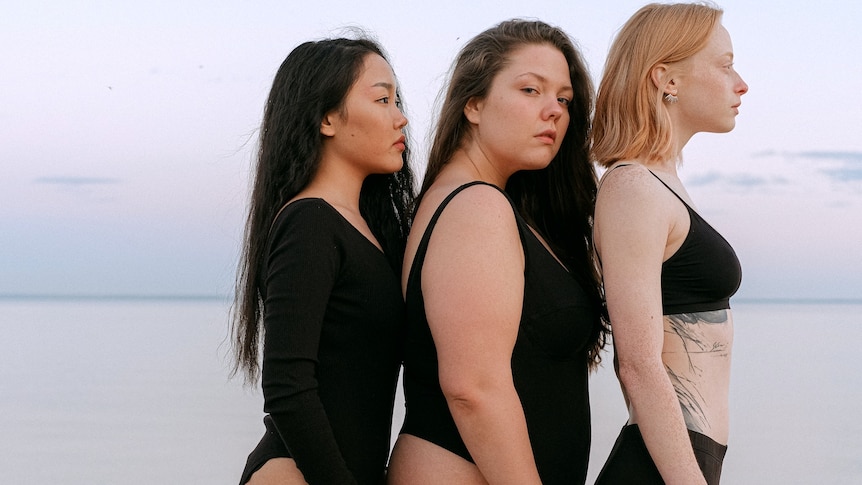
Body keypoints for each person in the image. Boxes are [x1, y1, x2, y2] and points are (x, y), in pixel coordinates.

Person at [386, 19, 607, 485]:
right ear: (474, 104)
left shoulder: (488, 202)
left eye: (564, 99)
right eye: (531, 90)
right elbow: (473, 389)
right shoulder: (476, 206)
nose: (554, 111)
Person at [229, 36, 415, 485]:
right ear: (327, 118)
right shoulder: (309, 222)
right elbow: (287, 386)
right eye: (382, 99)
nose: (401, 116)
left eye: (397, 100)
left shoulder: (371, 231)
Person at [591, 3, 749, 484]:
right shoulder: (633, 188)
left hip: (682, 460)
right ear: (667, 79)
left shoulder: (660, 185)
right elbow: (637, 364)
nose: (740, 83)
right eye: (724, 65)